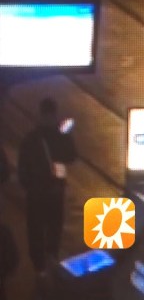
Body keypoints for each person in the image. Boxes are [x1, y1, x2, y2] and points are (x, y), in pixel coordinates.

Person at [17, 98, 77, 277]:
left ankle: (39, 268)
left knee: (35, 229)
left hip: (35, 193)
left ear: (40, 114)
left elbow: (22, 168)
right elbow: (72, 156)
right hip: (55, 192)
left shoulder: (30, 139)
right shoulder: (60, 136)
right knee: (54, 227)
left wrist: (29, 185)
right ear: (54, 114)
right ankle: (52, 259)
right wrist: (65, 134)